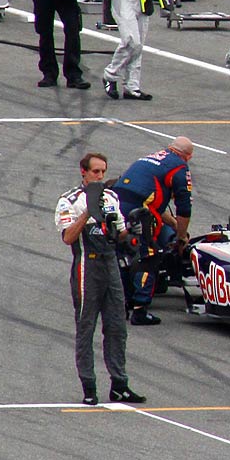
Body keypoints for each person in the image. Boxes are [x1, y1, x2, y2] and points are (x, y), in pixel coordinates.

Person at [55, 151, 145, 406]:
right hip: (87, 266)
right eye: (96, 171)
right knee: (86, 328)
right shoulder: (69, 200)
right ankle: (89, 386)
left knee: (117, 327)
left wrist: (132, 230)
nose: (100, 176)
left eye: (103, 171)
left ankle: (120, 384)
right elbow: (67, 238)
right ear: (83, 172)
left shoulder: (112, 197)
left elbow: (120, 234)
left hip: (110, 264)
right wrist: (87, 214)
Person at [113, 138, 195, 326]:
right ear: (187, 156)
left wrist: (173, 225)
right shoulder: (179, 167)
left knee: (122, 254)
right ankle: (140, 310)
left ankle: (123, 302)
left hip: (116, 204)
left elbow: (151, 201)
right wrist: (181, 236)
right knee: (149, 256)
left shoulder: (149, 159)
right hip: (139, 211)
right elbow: (184, 208)